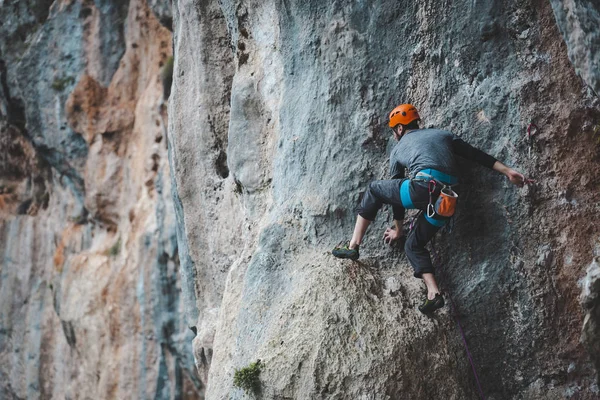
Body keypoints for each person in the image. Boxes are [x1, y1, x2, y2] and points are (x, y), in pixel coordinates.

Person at [332, 104, 529, 313]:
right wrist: (507, 171)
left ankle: (353, 246)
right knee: (413, 245)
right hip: (447, 201)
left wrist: (398, 229)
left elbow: (396, 195)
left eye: (394, 131)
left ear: (399, 129)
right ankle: (434, 294)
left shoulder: (398, 149)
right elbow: (475, 154)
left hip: (421, 188)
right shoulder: (443, 135)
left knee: (374, 189)